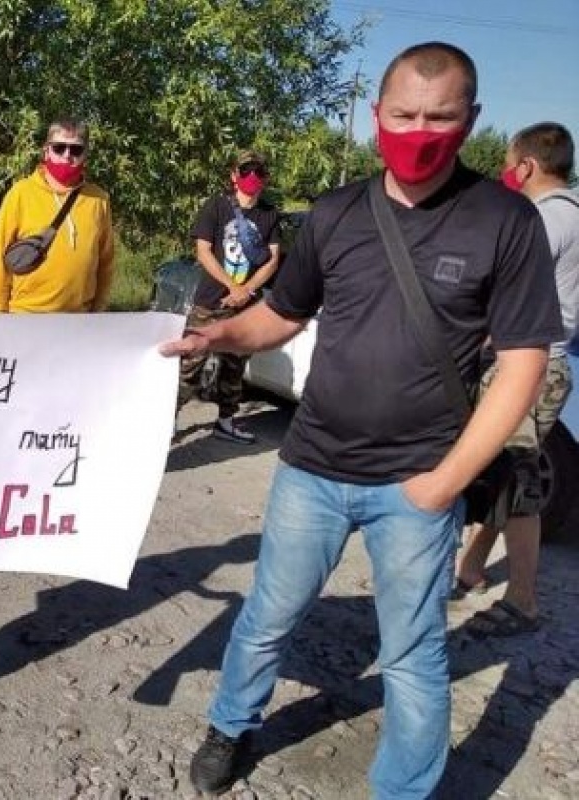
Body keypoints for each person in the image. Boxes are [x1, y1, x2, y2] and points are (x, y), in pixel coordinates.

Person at [158, 42, 561, 798]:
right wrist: (215, 333)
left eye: (440, 118)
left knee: (412, 655)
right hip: (311, 467)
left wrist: (445, 482)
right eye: (404, 115)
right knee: (269, 615)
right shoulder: (340, 213)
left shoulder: (504, 221)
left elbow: (523, 364)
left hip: (419, 479)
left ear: (468, 119)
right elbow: (280, 316)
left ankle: (403, 790)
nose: (420, 130)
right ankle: (231, 724)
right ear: (377, 116)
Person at [453, 122, 578, 635]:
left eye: (510, 162)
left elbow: (499, 290)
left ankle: (522, 599)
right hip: (553, 358)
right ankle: (472, 565)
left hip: (528, 362)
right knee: (502, 471)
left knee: (517, 481)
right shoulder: (575, 214)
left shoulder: (543, 220)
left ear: (525, 166)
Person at [176, 150, 281, 444]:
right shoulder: (217, 206)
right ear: (233, 175)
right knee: (189, 364)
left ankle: (225, 421)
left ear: (266, 178)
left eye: (259, 171)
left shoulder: (270, 214)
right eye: (246, 170)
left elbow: (272, 260)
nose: (252, 177)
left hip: (246, 307)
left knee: (234, 368)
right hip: (211, 301)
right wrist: (231, 286)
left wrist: (246, 290)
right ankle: (167, 420)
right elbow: (203, 250)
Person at [0, 118, 115, 313]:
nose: (67, 155)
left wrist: (98, 310)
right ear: (46, 151)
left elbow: (106, 262)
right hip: (26, 317)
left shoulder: (98, 200)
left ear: (85, 154)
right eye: (59, 148)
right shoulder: (20, 194)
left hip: (80, 321)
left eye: (76, 149)